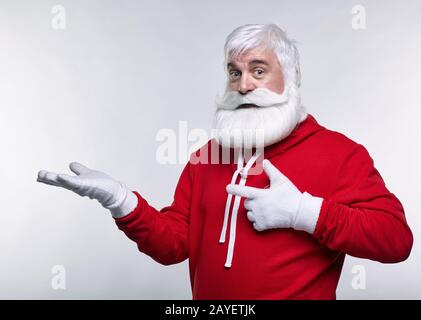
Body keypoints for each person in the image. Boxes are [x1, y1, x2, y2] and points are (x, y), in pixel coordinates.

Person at [37, 24, 413, 299]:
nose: (243, 85)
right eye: (235, 73)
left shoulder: (340, 154)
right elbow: (173, 247)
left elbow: (395, 241)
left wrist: (304, 212)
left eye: (258, 70)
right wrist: (121, 201)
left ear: (292, 78)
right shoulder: (208, 156)